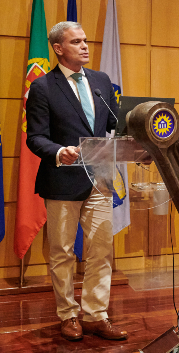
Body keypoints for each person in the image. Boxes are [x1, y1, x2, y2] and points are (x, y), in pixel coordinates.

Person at [26, 21, 127, 341]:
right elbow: (35, 137)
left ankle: (96, 315)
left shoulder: (101, 80)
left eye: (85, 40)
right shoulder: (43, 87)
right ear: (58, 48)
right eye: (76, 42)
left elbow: (116, 123)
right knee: (62, 253)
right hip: (62, 180)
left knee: (101, 250)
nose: (85, 46)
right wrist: (59, 152)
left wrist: (142, 141)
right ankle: (68, 315)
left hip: (99, 177)